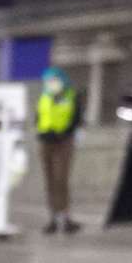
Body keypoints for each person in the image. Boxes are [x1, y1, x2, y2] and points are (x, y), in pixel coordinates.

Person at [34, 65, 81, 235]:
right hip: (46, 141)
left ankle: (66, 217)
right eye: (48, 81)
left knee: (61, 180)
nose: (51, 84)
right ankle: (52, 218)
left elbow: (76, 119)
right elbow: (38, 118)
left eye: (54, 80)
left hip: (64, 142)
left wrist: (65, 133)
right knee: (50, 181)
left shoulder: (71, 97)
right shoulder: (44, 98)